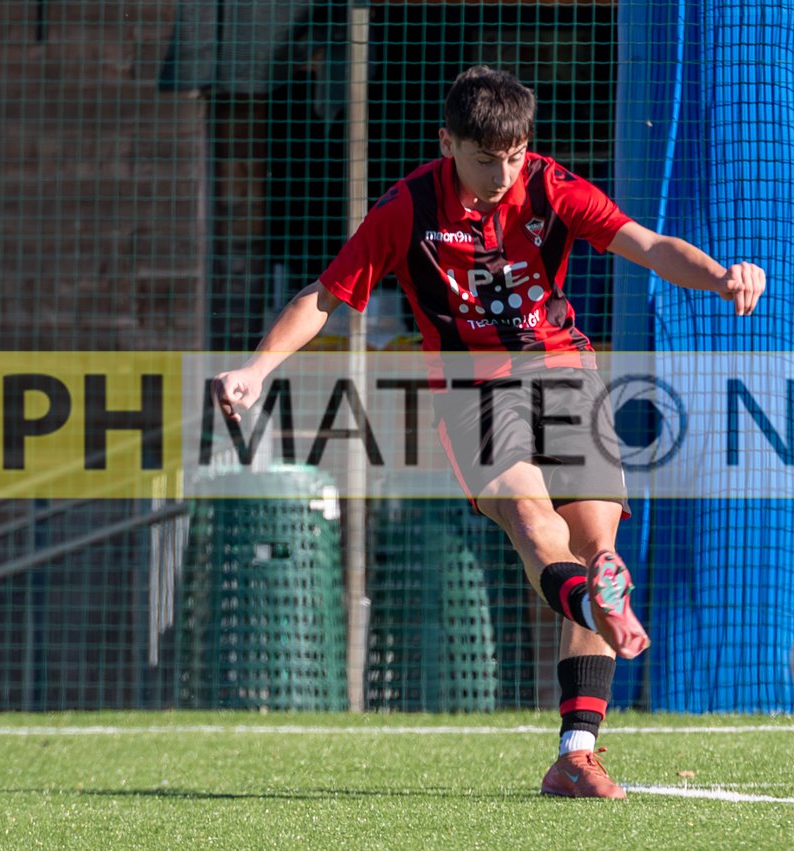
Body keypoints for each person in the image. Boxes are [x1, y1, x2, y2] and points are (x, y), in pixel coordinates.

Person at [212, 66, 765, 799]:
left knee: (597, 548)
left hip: (565, 375)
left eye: (513, 156)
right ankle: (594, 605)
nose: (502, 175)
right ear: (447, 143)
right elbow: (325, 295)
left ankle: (576, 753)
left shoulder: (551, 186)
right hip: (472, 391)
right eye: (484, 159)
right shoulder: (407, 208)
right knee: (534, 525)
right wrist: (257, 368)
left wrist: (721, 276)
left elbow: (649, 244)